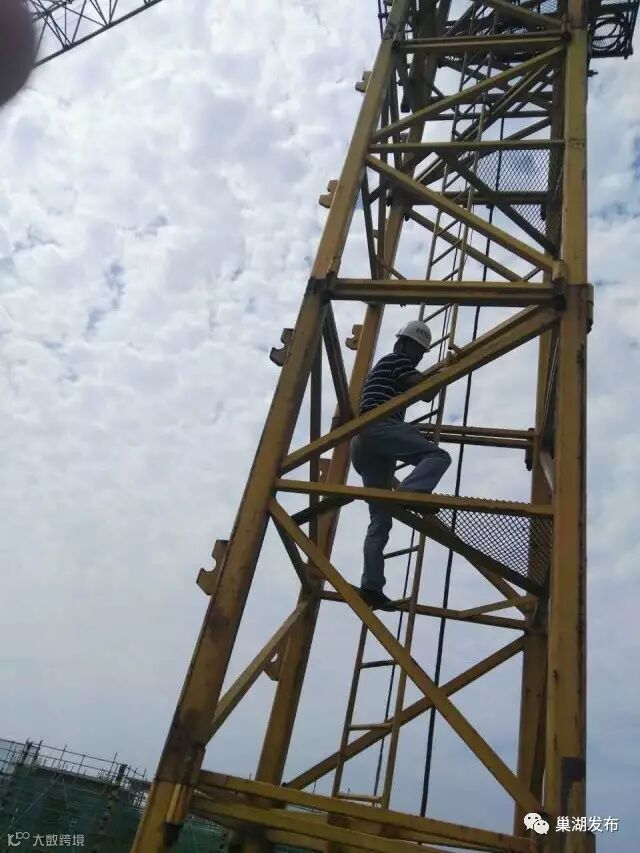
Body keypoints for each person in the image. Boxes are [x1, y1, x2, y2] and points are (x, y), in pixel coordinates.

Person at [351, 320, 451, 611]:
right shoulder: (397, 360)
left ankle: (371, 588)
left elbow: (420, 388)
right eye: (416, 350)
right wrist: (445, 372)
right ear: (401, 344)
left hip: (363, 442)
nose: (417, 357)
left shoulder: (390, 366)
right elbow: (426, 391)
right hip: (379, 427)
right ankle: (411, 492)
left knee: (380, 521)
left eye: (421, 353)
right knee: (438, 457)